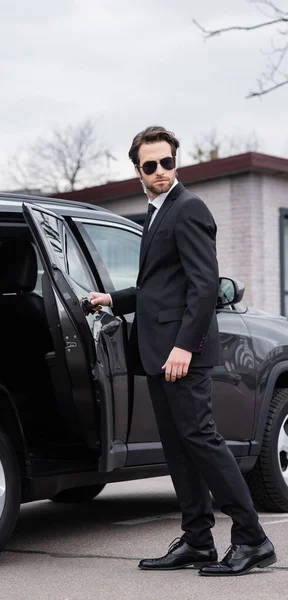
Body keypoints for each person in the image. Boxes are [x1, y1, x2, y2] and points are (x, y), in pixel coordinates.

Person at [88, 125, 276, 577]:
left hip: (180, 355)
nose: (160, 171)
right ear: (138, 170)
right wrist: (113, 300)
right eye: (150, 165)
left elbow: (204, 286)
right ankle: (197, 540)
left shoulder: (189, 208)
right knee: (178, 448)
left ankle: (252, 539)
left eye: (167, 162)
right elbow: (158, 287)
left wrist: (184, 348)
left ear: (177, 161)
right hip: (159, 352)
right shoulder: (155, 213)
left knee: (204, 442)